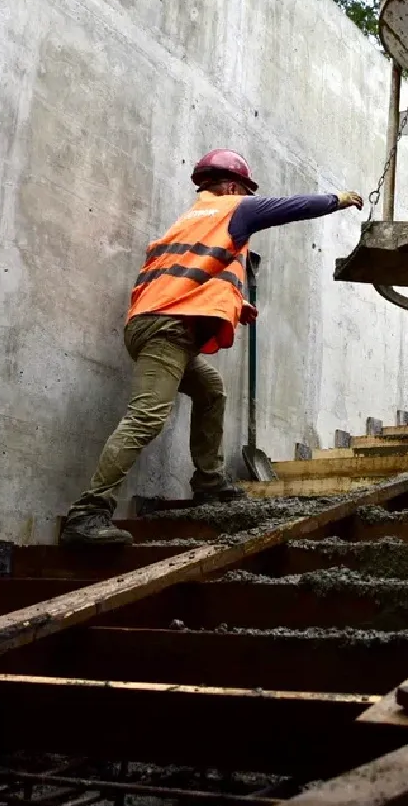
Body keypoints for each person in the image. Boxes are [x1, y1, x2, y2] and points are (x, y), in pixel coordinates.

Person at [61, 150, 363, 547]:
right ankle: (87, 514)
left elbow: (186, 277)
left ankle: (209, 481)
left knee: (210, 389)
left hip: (155, 323)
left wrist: (239, 305)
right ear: (235, 187)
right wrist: (336, 199)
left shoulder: (191, 221)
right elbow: (288, 208)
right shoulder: (232, 209)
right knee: (147, 416)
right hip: (167, 331)